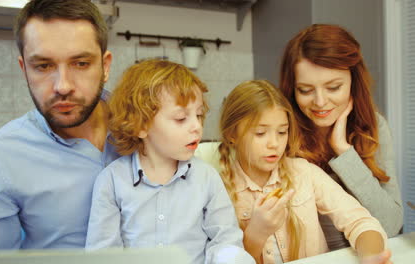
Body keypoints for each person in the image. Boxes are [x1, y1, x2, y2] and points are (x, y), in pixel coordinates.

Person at [0, 0, 119, 252]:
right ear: (24, 69)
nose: (63, 86)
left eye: (81, 64)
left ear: (105, 66)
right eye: (43, 66)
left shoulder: (151, 129)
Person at [85, 59, 255, 264]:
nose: (196, 127)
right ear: (141, 126)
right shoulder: (111, 181)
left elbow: (226, 241)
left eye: (199, 115)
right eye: (181, 118)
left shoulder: (207, 177)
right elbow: (103, 255)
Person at [217, 80, 390, 264]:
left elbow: (360, 222)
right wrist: (255, 235)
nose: (274, 144)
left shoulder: (304, 173)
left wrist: (371, 257)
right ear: (232, 135)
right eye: (260, 133)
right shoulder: (217, 191)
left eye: (282, 132)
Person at [279, 24, 403, 250]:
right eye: (305, 90)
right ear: (291, 89)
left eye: (333, 87)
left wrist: (344, 152)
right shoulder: (281, 133)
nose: (320, 102)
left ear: (353, 82)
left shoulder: (375, 127)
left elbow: (392, 224)